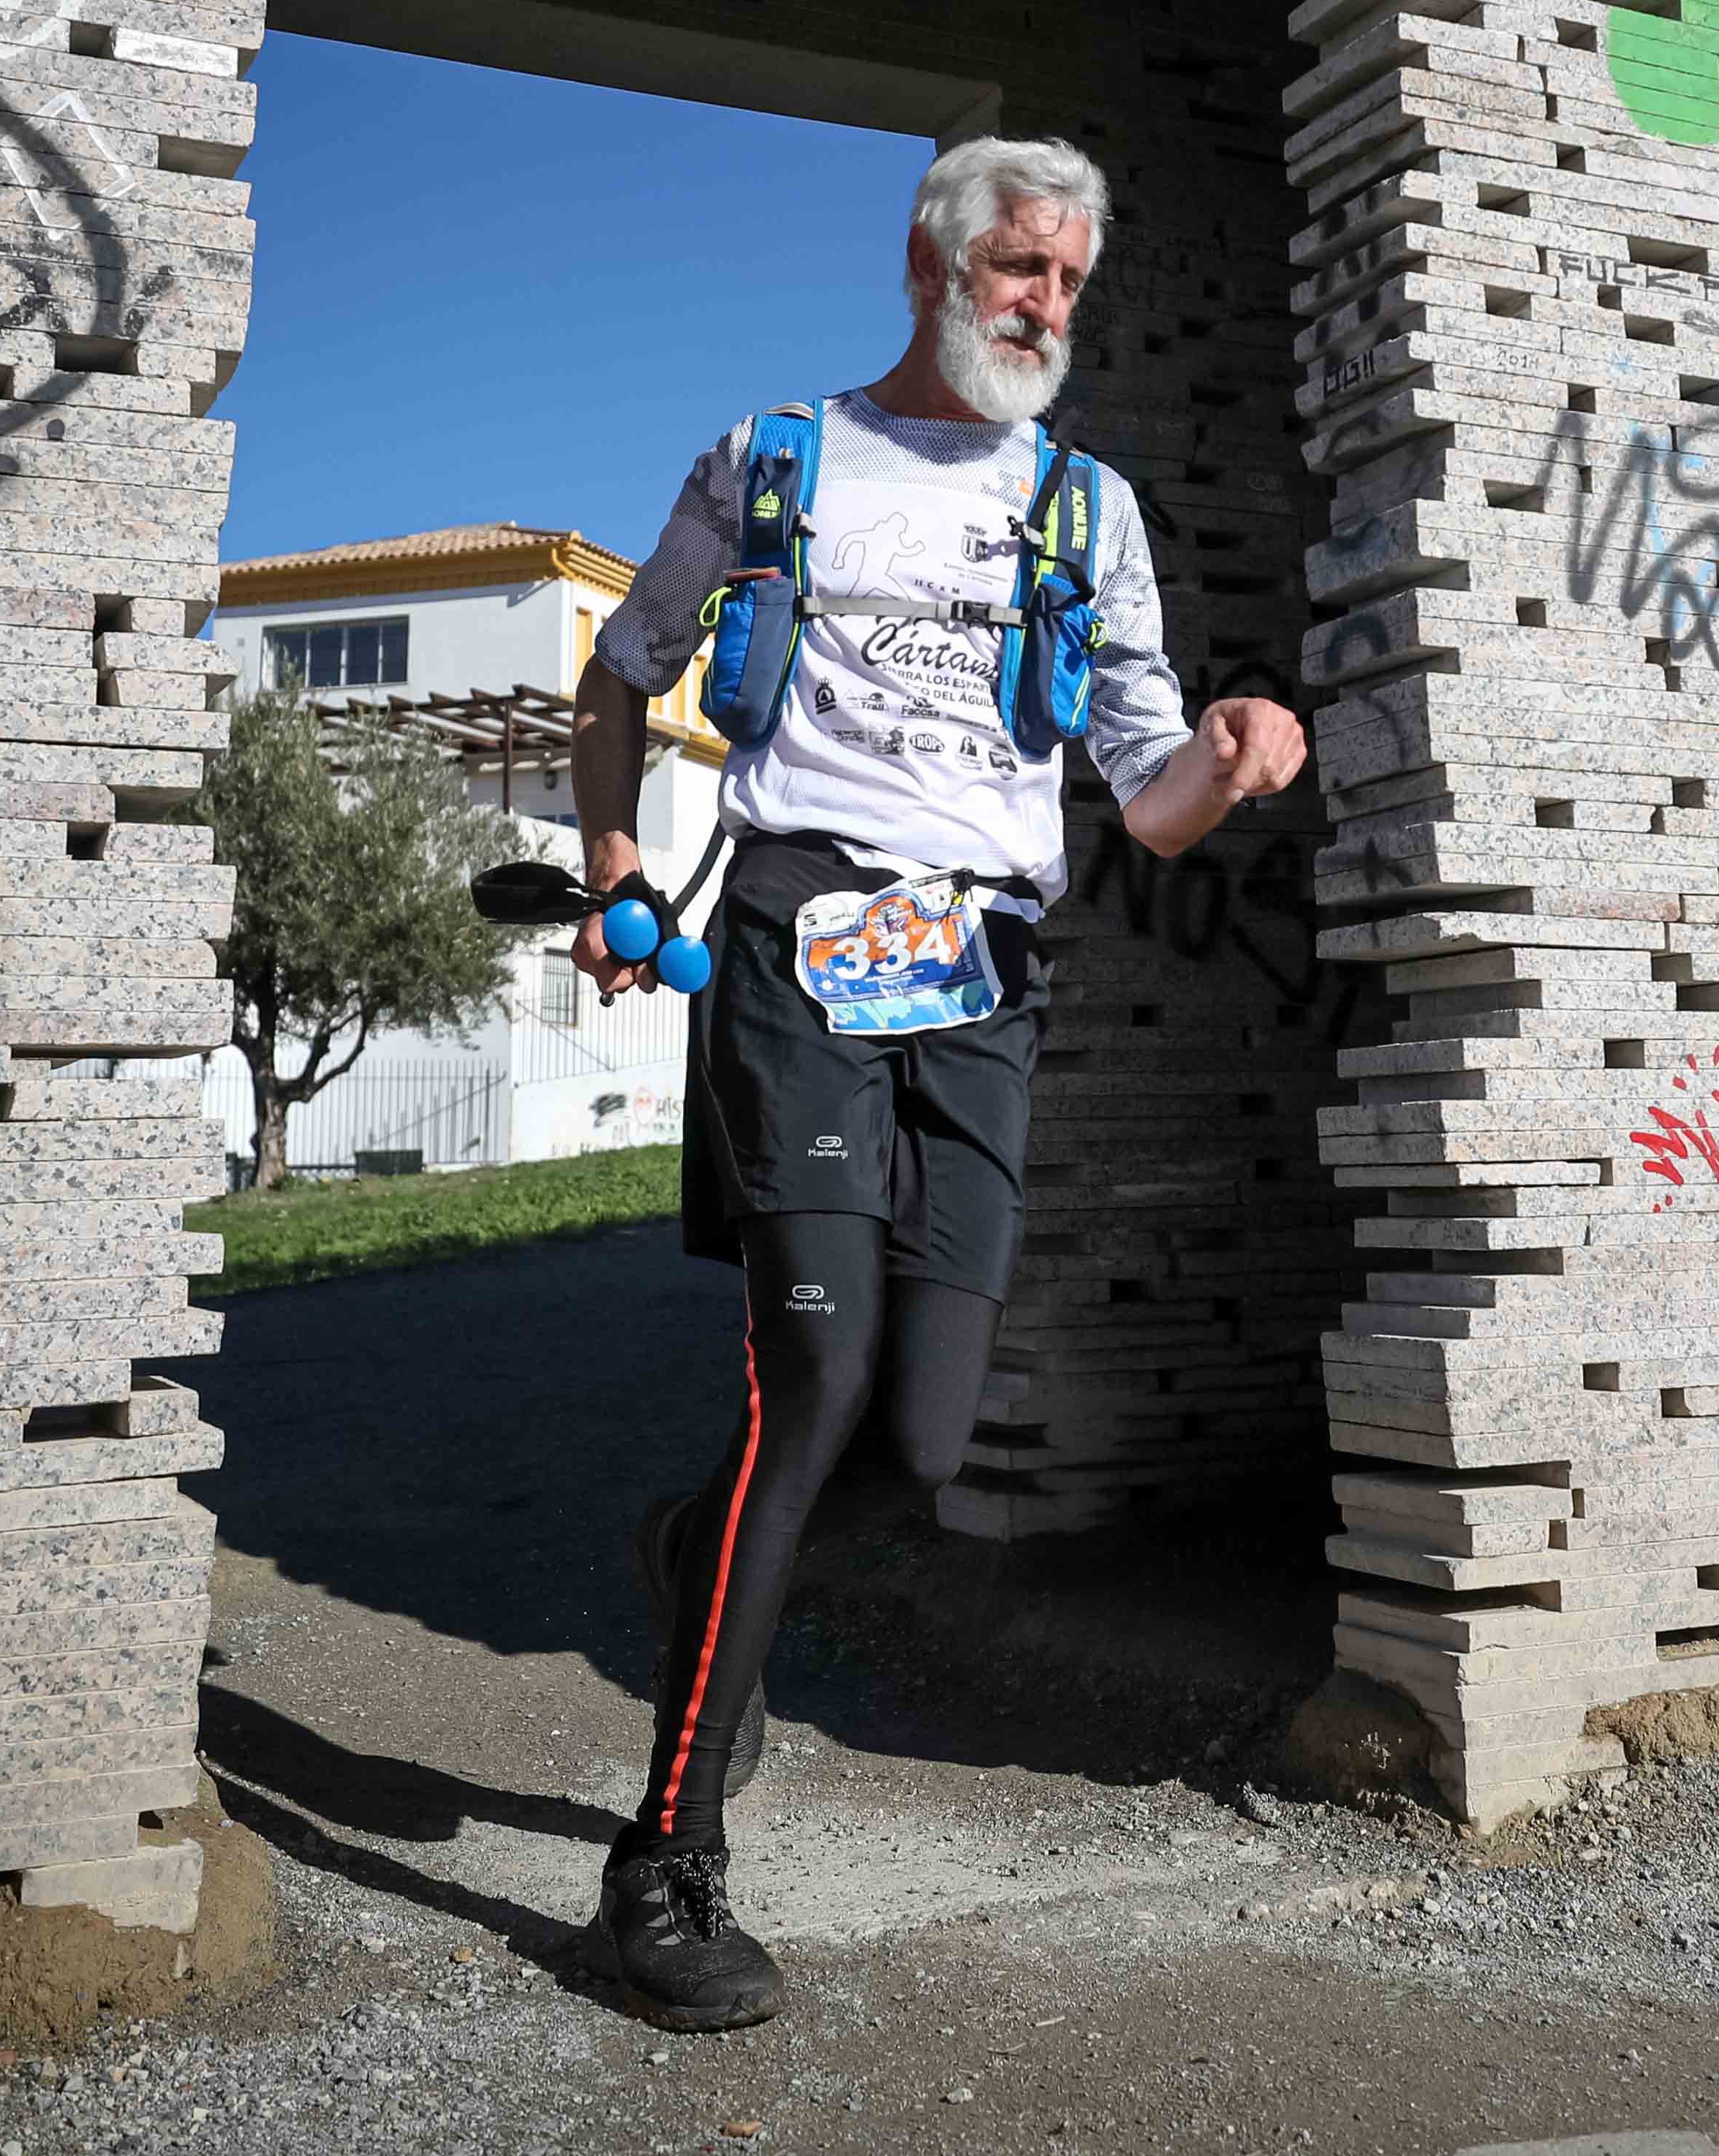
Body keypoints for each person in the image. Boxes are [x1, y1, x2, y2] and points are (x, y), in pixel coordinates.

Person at [563, 135, 1307, 2029]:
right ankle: (664, 1861)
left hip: (984, 974)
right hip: (796, 939)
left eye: (1069, 278)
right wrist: (611, 871)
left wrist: (1226, 756)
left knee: (918, 1437)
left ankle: (689, 1542)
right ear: (930, 259)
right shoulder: (771, 460)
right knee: (809, 1366)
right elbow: (620, 672)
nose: (1044, 304)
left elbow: (1142, 792)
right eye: (1016, 266)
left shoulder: (1088, 509)